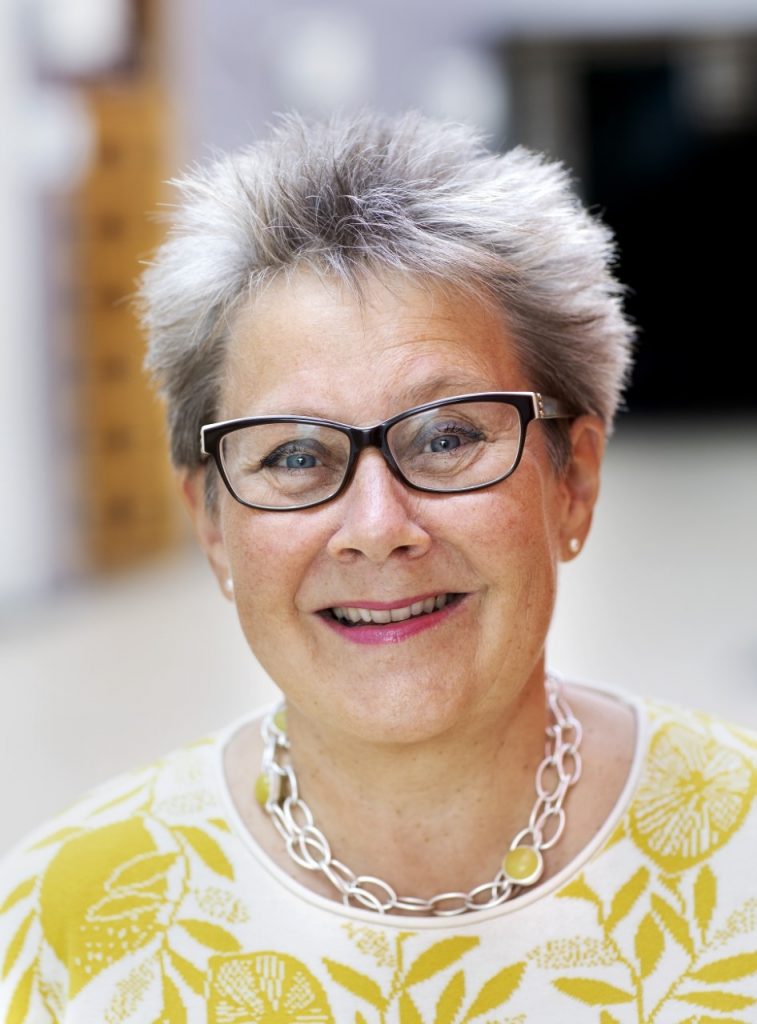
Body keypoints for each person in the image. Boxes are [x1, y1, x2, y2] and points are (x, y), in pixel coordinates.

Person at [1, 111, 756, 1024]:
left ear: (574, 482)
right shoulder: (62, 925)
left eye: (445, 438)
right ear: (211, 524)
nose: (375, 526)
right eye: (292, 456)